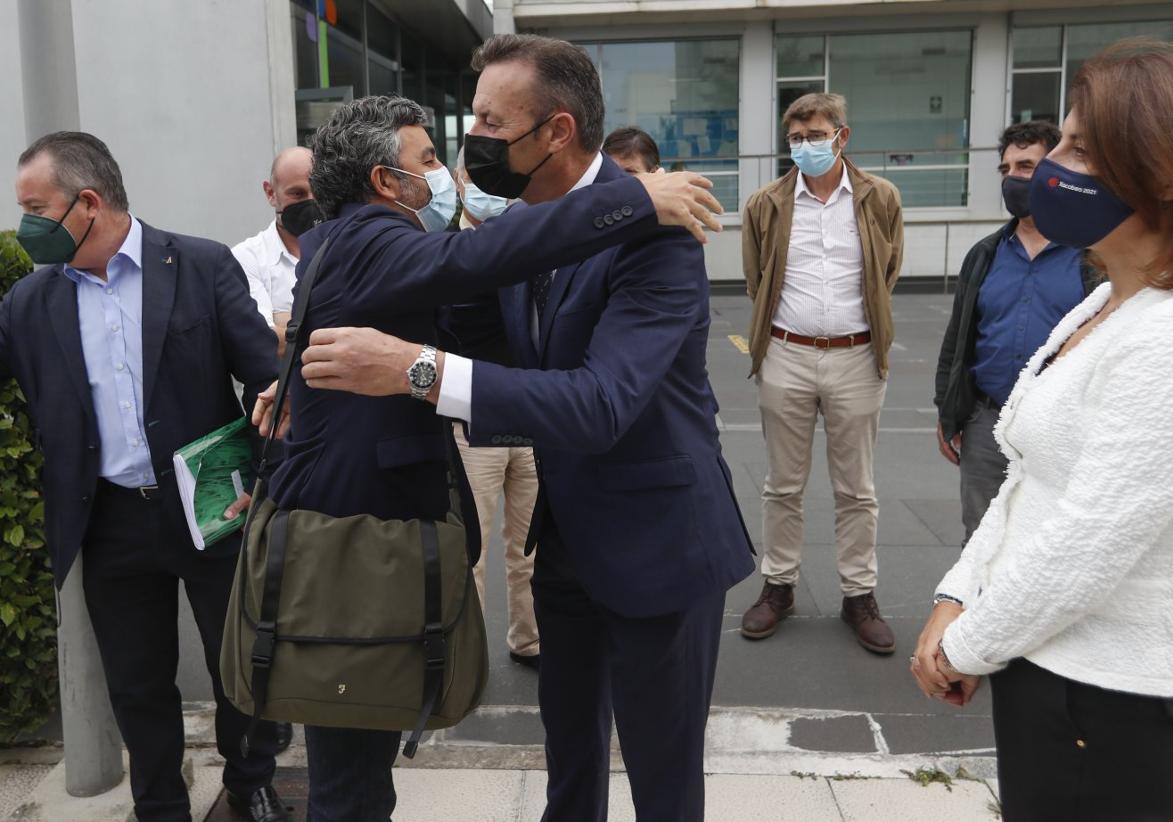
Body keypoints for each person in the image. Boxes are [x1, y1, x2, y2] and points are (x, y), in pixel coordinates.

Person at [290, 34, 755, 822]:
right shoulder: (529, 227)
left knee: (662, 778)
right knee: (569, 761)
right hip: (568, 543)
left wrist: (418, 371)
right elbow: (449, 305)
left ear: (558, 132)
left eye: (488, 122)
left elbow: (600, 404)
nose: (471, 144)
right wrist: (304, 375)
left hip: (660, 543)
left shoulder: (659, 234)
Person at [911, 41, 1173, 822]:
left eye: (1077, 148)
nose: (1047, 165)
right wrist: (958, 594)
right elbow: (1026, 476)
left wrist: (966, 646)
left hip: (1111, 701)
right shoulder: (1108, 301)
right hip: (1043, 666)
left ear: (1165, 172)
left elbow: (1091, 538)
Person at [2, 132, 288, 822]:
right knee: (138, 685)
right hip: (109, 520)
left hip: (216, 504)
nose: (25, 227)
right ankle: (161, 807)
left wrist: (268, 481)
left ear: (88, 204)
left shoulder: (197, 265)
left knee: (242, 669)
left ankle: (249, 784)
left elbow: (269, 380)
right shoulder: (29, 303)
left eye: (36, 208)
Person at [739, 92, 904, 653]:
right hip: (786, 352)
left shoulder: (881, 198)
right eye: (797, 137)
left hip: (858, 356)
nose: (806, 145)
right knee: (782, 485)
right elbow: (756, 278)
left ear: (842, 135)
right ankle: (778, 585)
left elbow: (889, 270)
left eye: (816, 134)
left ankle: (859, 594)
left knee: (856, 488)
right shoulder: (766, 203)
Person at [934, 121, 1101, 545]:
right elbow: (959, 339)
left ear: (1056, 169)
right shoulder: (986, 255)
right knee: (982, 541)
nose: (1013, 179)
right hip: (988, 423)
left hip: (1063, 427)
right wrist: (948, 410)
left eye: (1026, 166)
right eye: (1006, 169)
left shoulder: (1093, 257)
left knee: (1053, 543)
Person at [450, 147, 541, 668]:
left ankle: (531, 639)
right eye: (478, 175)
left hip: (533, 416)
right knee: (471, 552)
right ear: (460, 179)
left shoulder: (533, 241)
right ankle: (467, 659)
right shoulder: (441, 249)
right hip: (471, 424)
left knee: (530, 547)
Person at [232, 146, 319, 350]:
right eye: (297, 194)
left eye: (318, 191)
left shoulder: (341, 249)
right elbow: (262, 339)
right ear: (270, 193)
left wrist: (285, 320)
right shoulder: (246, 258)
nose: (311, 202)